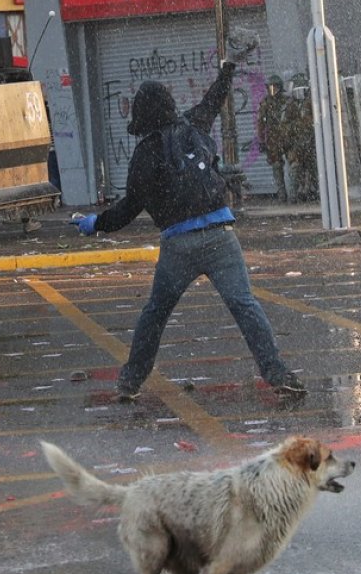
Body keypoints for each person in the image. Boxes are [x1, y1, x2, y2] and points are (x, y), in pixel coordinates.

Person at [72, 32, 304, 401]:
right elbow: (215, 96)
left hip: (178, 246)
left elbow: (127, 211)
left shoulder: (143, 156)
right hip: (220, 234)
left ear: (140, 116)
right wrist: (228, 65)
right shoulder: (194, 125)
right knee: (244, 305)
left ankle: (130, 381)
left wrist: (93, 224)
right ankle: (277, 372)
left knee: (155, 313)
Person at [256, 75, 290, 203]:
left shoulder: (287, 101)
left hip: (288, 137)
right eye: (270, 87)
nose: (272, 90)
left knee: (295, 165)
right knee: (276, 166)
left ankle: (299, 193)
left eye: (274, 87)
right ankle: (282, 195)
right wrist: (261, 140)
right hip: (273, 139)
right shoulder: (265, 103)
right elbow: (260, 123)